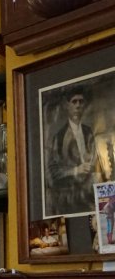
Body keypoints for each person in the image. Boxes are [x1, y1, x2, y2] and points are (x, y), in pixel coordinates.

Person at [45, 87, 97, 218]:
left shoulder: (88, 132)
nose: (78, 105)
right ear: (67, 105)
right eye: (74, 102)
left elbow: (96, 160)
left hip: (89, 194)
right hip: (68, 198)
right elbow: (53, 172)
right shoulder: (59, 137)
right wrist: (76, 170)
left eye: (81, 101)